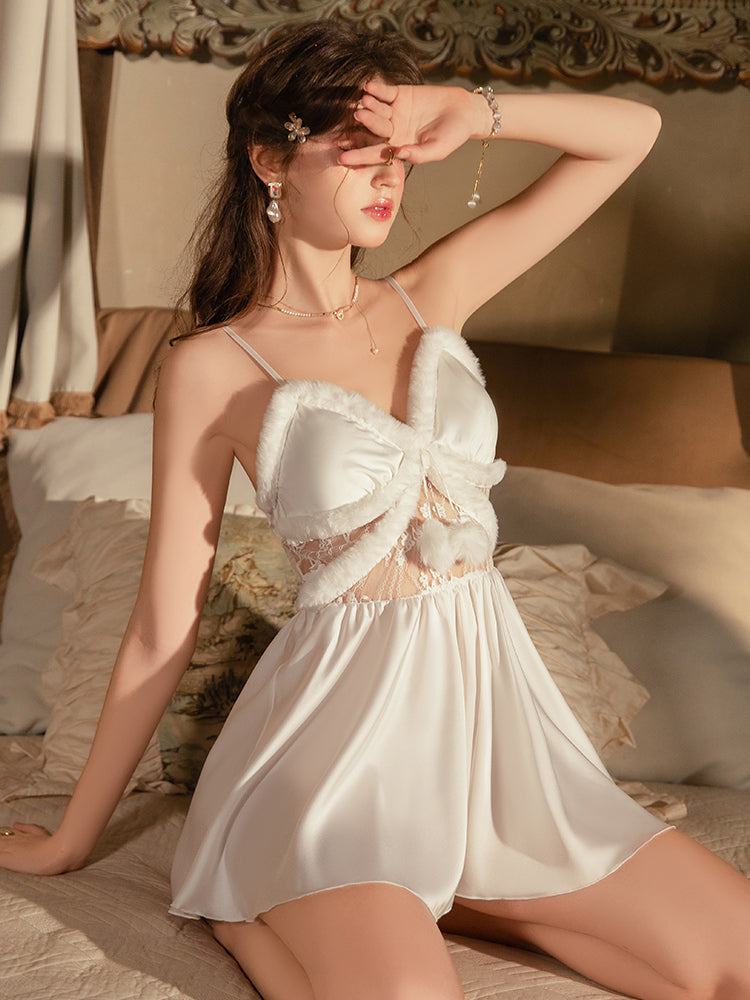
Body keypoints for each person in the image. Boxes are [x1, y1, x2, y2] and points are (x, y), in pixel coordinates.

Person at [1, 20, 748, 1000]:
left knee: (731, 956)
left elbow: (631, 132)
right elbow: (160, 624)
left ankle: (467, 883)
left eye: (397, 152)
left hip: (496, 741)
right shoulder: (211, 367)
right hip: (335, 756)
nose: (390, 174)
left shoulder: (433, 289)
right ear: (271, 157)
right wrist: (69, 839)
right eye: (358, 144)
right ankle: (249, 898)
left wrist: (469, 111)